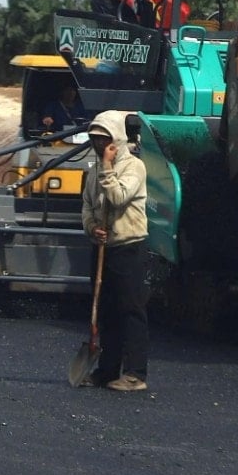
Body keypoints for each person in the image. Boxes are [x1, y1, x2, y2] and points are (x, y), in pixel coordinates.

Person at [79, 110, 150, 392]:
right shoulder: (94, 170)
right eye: (94, 139)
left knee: (131, 310)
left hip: (129, 247)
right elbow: (87, 205)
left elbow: (118, 197)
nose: (97, 145)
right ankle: (107, 370)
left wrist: (108, 167)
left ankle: (135, 374)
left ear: (116, 139)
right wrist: (92, 227)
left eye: (103, 139)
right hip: (103, 248)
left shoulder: (134, 167)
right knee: (106, 310)